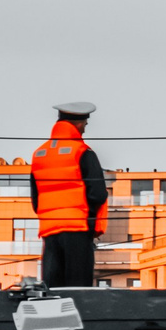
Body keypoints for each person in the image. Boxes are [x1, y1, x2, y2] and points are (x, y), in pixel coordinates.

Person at [29, 102, 108, 288]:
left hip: (50, 231)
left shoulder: (39, 154)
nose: (86, 129)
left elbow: (35, 200)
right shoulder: (83, 152)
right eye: (85, 124)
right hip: (78, 228)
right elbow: (97, 193)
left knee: (53, 289)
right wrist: (92, 223)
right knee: (78, 289)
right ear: (78, 123)